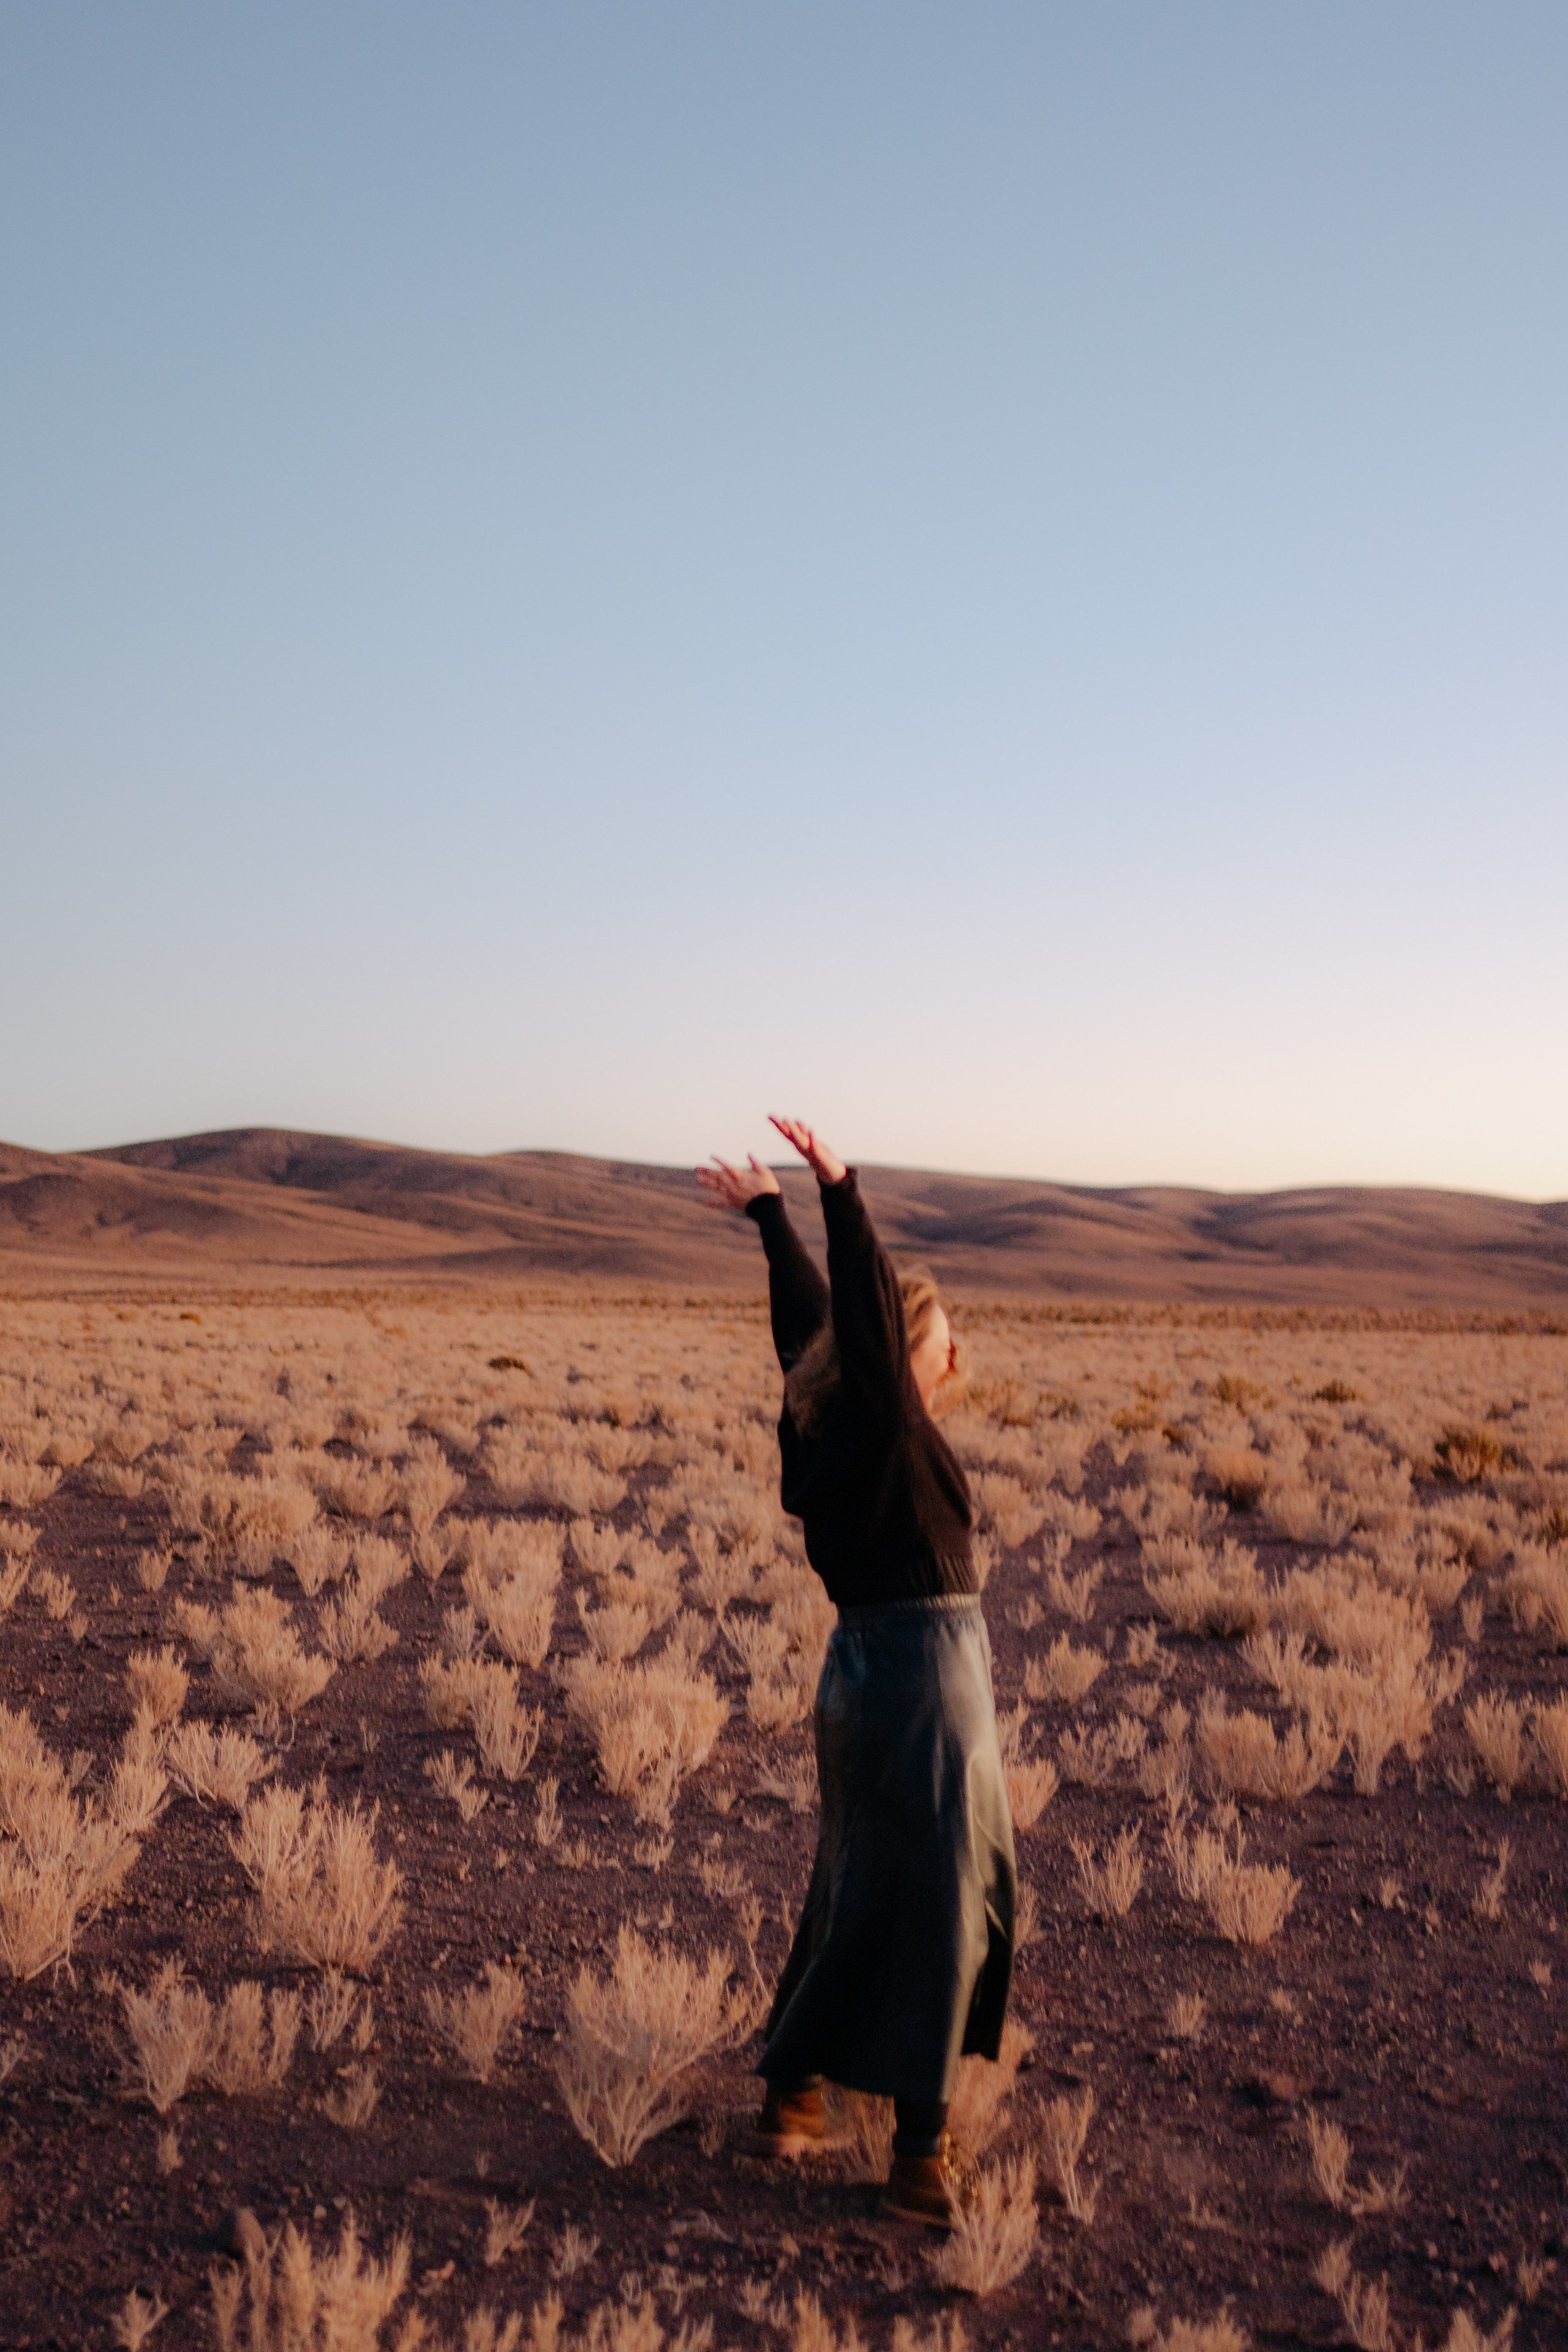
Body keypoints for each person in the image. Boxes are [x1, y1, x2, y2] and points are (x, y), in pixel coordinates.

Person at [696, 1116, 1016, 2228]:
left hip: (859, 1677)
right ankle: (923, 2159)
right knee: (945, 1902)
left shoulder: (829, 1413)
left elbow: (810, 1330)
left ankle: (794, 2096)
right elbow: (860, 1327)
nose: (958, 1358)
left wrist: (771, 1220)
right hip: (927, 1681)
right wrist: (839, 1192)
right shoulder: (884, 1412)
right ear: (906, 1344)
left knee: (854, 1883)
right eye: (945, 1340)